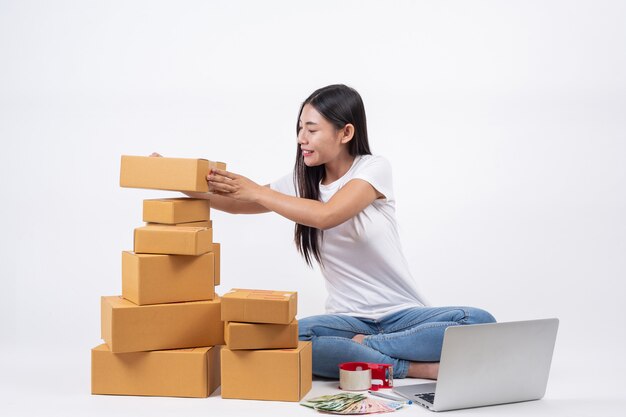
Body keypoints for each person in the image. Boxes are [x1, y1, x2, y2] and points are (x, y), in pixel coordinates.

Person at [156, 84, 495, 380]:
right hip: (346, 322)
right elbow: (236, 203)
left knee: (479, 322)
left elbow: (327, 215)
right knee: (288, 337)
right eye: (300, 128)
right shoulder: (300, 181)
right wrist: (178, 181)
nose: (301, 139)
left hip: (403, 317)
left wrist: (259, 191)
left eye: (312, 129)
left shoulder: (373, 169)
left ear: (345, 133)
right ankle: (412, 368)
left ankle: (371, 351)